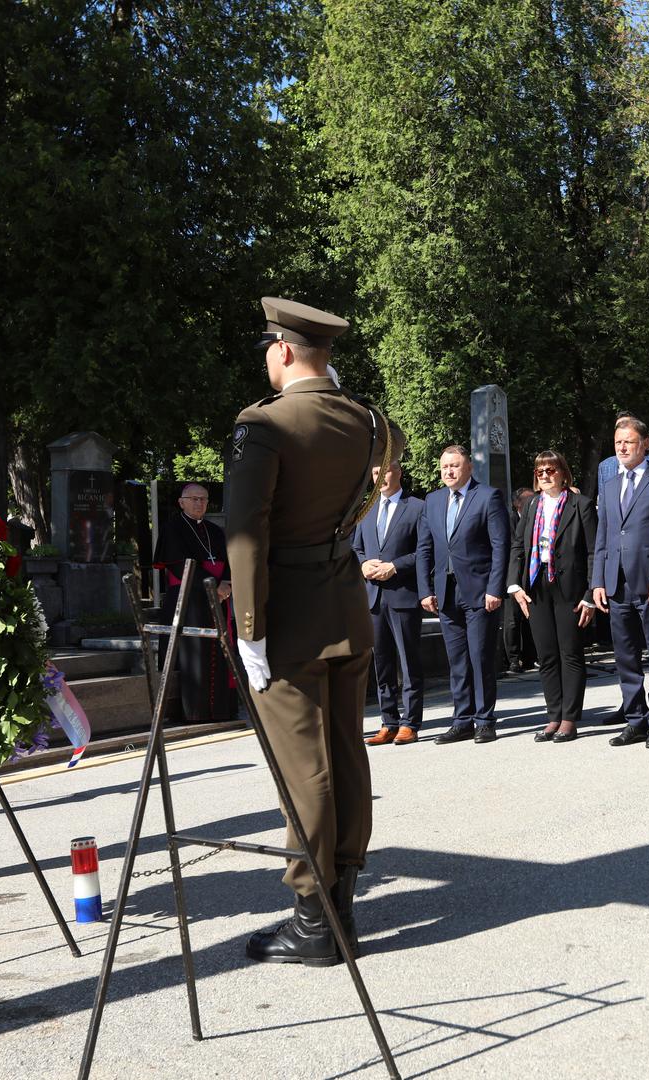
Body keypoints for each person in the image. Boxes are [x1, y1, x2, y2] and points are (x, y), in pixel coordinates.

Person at [227, 296, 400, 964]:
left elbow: (246, 536)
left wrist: (249, 629)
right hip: (344, 605)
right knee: (345, 756)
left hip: (287, 619)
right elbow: (363, 497)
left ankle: (311, 920)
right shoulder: (366, 420)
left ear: (283, 350)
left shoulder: (263, 425)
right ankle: (342, 905)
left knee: (305, 773)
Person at [591, 416, 649, 748]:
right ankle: (635, 719)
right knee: (625, 655)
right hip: (616, 583)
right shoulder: (610, 485)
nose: (622, 447)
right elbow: (604, 536)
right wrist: (598, 580)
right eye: (617, 443)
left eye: (628, 441)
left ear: (645, 444)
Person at [418, 445, 511, 744]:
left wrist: (495, 588)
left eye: (455, 466)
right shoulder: (431, 501)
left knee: (480, 656)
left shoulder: (487, 497)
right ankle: (462, 719)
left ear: (469, 467)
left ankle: (484, 720)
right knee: (456, 659)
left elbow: (500, 546)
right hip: (445, 593)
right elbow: (424, 549)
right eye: (445, 467)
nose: (449, 471)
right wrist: (425, 590)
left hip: (480, 591)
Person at [507, 451, 597, 742]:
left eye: (551, 470)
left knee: (569, 652)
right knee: (546, 654)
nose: (545, 475)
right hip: (536, 584)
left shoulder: (580, 504)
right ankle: (553, 716)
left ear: (563, 472)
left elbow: (594, 551)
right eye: (540, 471)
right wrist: (514, 585)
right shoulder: (533, 504)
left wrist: (590, 594)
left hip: (569, 586)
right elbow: (518, 546)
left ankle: (569, 718)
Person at [353, 458, 425, 746]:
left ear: (399, 472)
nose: (380, 477)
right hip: (373, 597)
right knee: (381, 663)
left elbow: (424, 551)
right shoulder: (366, 510)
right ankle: (388, 720)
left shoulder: (417, 508)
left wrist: (395, 566)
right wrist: (362, 565)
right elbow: (356, 548)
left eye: (386, 471)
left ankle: (411, 722)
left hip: (403, 595)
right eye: (374, 473)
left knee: (408, 661)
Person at [152, 483, 235, 724]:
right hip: (188, 601)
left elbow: (227, 561)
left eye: (204, 499)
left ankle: (220, 711)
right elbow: (179, 565)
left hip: (217, 598)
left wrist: (226, 584)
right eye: (194, 499)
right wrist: (213, 586)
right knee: (193, 656)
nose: (200, 503)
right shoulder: (172, 529)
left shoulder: (215, 531)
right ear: (182, 502)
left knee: (218, 654)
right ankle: (193, 712)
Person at [501, 486, 539, 673]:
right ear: (516, 503)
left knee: (531, 617)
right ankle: (513, 659)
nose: (532, 503)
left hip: (530, 576)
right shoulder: (508, 520)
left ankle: (530, 657)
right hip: (512, 576)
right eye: (527, 500)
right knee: (512, 620)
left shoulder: (537, 518)